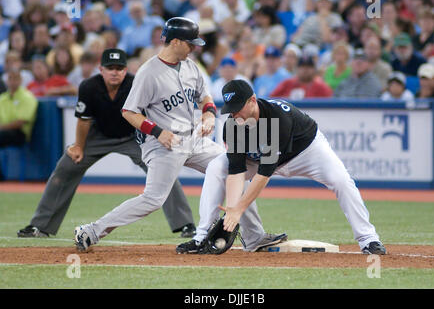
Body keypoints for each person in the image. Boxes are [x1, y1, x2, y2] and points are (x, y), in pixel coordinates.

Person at [73, 17, 284, 253]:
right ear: (174, 41)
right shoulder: (148, 73)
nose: (194, 47)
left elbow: (205, 98)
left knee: (232, 169)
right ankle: (92, 230)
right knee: (153, 199)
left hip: (193, 139)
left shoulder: (191, 66)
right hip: (163, 143)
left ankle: (254, 237)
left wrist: (209, 116)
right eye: (190, 43)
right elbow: (129, 112)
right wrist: (157, 131)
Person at [17, 48, 197, 238]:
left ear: (126, 70)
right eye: (110, 68)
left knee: (164, 169)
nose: (115, 72)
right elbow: (84, 120)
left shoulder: (137, 83)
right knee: (66, 167)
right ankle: (40, 226)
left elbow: (153, 112)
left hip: (134, 136)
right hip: (99, 135)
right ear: (100, 69)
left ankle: (186, 224)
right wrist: (78, 146)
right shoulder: (88, 86)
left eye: (119, 68)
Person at [202, 79, 386, 255]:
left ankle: (368, 239)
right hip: (264, 158)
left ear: (252, 101)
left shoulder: (276, 118)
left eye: (237, 108)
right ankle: (203, 236)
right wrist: (232, 211)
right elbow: (236, 172)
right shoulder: (234, 125)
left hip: (306, 152)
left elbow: (263, 175)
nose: (234, 114)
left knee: (341, 181)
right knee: (219, 166)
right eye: (230, 110)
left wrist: (239, 210)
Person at [0, 69, 37, 148]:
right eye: (10, 78)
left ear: (21, 80)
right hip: (3, 130)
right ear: (7, 80)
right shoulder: (2, 98)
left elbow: (20, 123)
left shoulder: (27, 97)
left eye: (16, 78)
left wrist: (1, 127)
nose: (13, 81)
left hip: (19, 134)